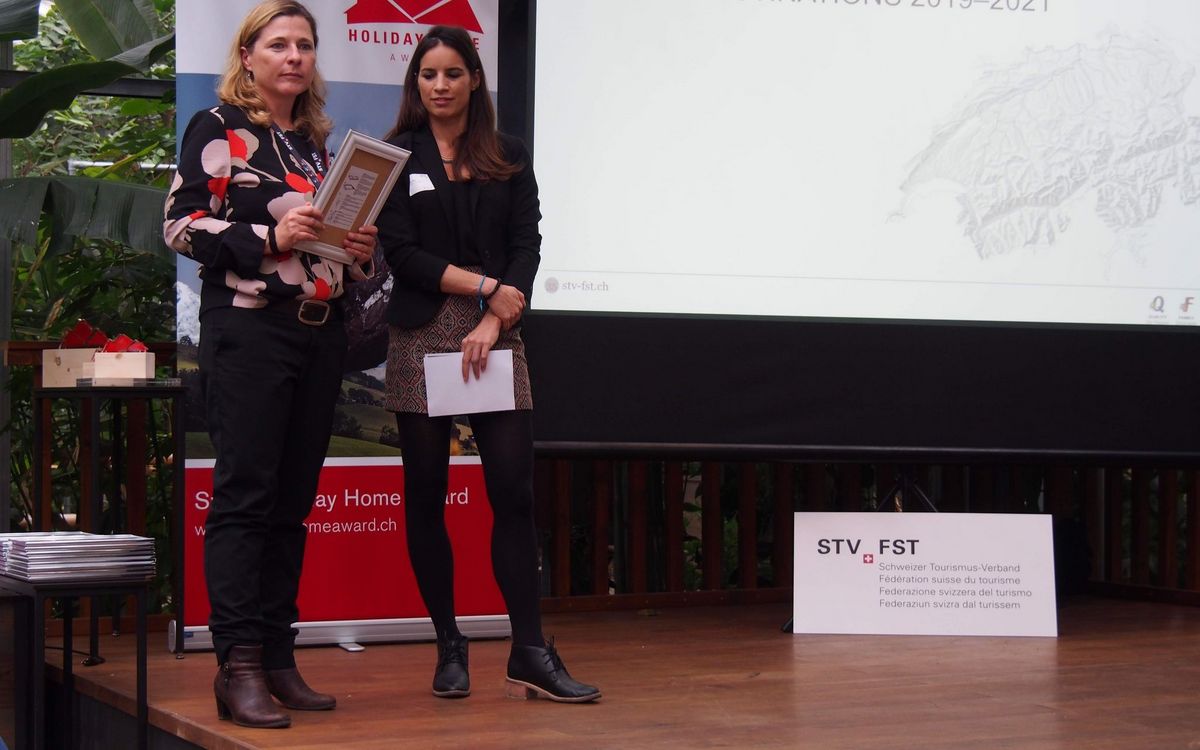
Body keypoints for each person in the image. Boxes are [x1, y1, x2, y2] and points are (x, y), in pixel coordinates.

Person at [163, 0, 377, 729]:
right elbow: (181, 225)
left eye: (305, 45)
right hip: (250, 330)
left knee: (291, 503)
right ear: (247, 56)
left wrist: (357, 249)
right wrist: (268, 236)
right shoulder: (218, 128)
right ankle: (240, 666)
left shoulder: (317, 146)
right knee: (247, 497)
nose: (294, 56)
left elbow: (327, 244)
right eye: (279, 44)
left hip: (321, 334)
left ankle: (279, 657)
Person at [377, 25, 600, 703]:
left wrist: (497, 317)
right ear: (416, 83)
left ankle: (529, 650)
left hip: (495, 331)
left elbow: (527, 243)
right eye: (428, 74)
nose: (440, 86)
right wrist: (482, 290)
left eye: (453, 73)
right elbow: (401, 254)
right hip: (422, 332)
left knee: (514, 492)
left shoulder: (507, 154)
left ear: (475, 79)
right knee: (426, 495)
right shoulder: (396, 154)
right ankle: (450, 644)